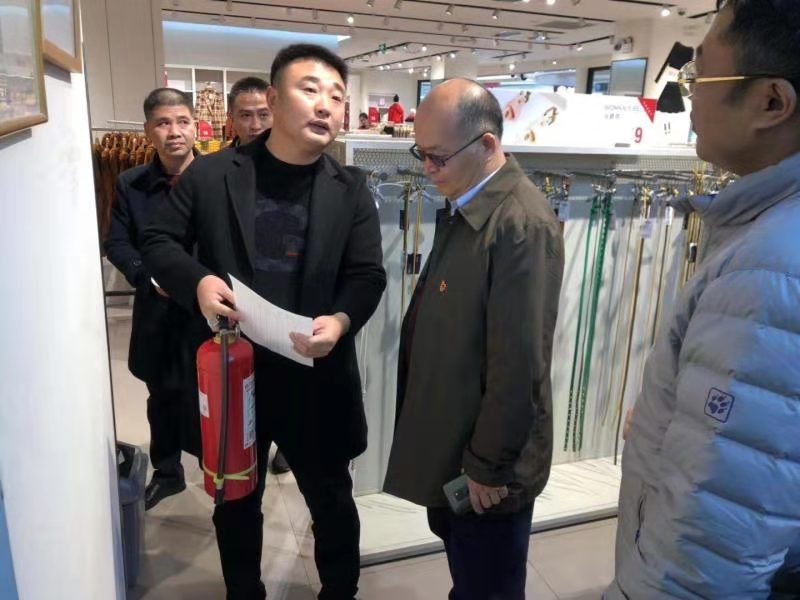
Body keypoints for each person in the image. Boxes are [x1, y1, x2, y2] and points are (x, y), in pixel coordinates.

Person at [142, 44, 386, 600]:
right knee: (235, 501)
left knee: (332, 501)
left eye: (337, 97)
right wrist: (197, 283)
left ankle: (339, 592)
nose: (325, 105)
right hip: (237, 374)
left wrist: (341, 320)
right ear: (273, 100)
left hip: (317, 373)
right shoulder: (213, 175)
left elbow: (367, 275)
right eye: (310, 90)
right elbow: (157, 240)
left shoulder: (351, 189)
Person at [607, 1, 800, 597]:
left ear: (772, 102)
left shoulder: (771, 265)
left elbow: (711, 543)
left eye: (700, 76)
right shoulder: (764, 235)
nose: (688, 96)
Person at [383, 78, 564, 600]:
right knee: (470, 578)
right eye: (421, 154)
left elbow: (519, 363)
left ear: (487, 145)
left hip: (489, 471)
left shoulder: (520, 224)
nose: (427, 168)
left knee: (488, 585)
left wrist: (488, 466)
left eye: (438, 157)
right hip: (459, 448)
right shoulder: (469, 207)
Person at [104, 88, 201, 510]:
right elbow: (116, 241)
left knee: (214, 392)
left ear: (196, 127)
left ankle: (217, 468)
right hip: (157, 307)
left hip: (209, 309)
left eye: (182, 121)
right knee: (161, 395)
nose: (174, 131)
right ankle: (167, 472)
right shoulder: (131, 183)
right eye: (163, 123)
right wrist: (147, 275)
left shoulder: (219, 177)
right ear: (147, 131)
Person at [225, 77, 291, 475]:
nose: (255, 125)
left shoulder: (295, 168)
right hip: (236, 312)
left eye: (263, 115)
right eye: (245, 116)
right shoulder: (215, 174)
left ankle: (285, 444)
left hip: (288, 312)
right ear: (231, 119)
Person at [227, 77, 273, 147]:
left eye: (263, 115)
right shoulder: (221, 155)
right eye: (246, 115)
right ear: (231, 115)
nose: (256, 126)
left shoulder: (289, 153)